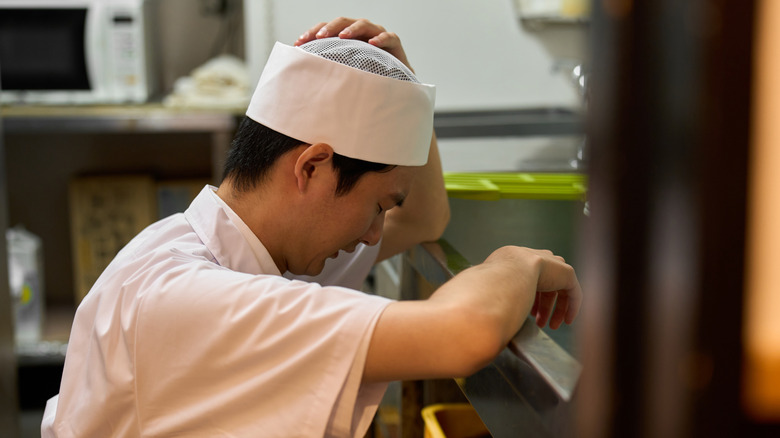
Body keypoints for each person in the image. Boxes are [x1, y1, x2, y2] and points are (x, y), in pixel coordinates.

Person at [41, 17, 582, 437]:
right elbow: (463, 334)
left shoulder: (236, 252)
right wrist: (516, 261)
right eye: (377, 207)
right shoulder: (196, 297)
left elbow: (424, 218)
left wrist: (406, 91)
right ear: (312, 167)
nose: (375, 235)